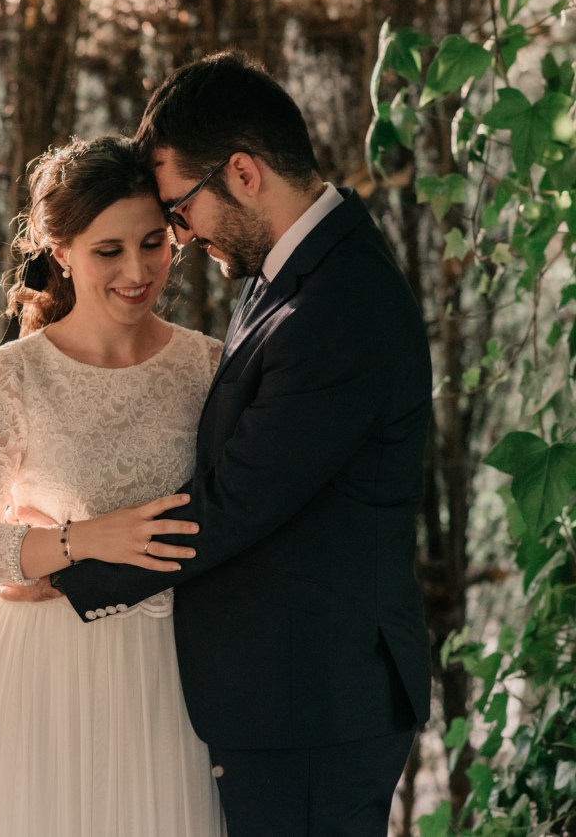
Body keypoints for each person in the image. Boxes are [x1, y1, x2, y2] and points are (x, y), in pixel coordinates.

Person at [52, 52, 433, 836]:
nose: (182, 236)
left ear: (244, 173)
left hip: (317, 703)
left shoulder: (340, 302)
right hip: (286, 697)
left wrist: (70, 572)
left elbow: (237, 502)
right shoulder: (288, 274)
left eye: (180, 210)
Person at [0, 136, 227, 837]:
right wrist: (79, 542)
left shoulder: (208, 365)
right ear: (61, 251)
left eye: (154, 242)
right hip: (43, 668)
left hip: (169, 669)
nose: (138, 270)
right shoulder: (15, 374)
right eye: (109, 251)